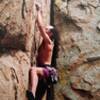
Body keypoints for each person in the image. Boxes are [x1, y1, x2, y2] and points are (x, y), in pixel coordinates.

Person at [26, 3, 58, 100]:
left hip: (47, 70)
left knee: (33, 70)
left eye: (48, 28)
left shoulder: (49, 42)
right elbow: (42, 26)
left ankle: (32, 92)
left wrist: (39, 10)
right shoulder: (46, 41)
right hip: (45, 71)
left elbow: (40, 26)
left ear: (50, 33)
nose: (46, 27)